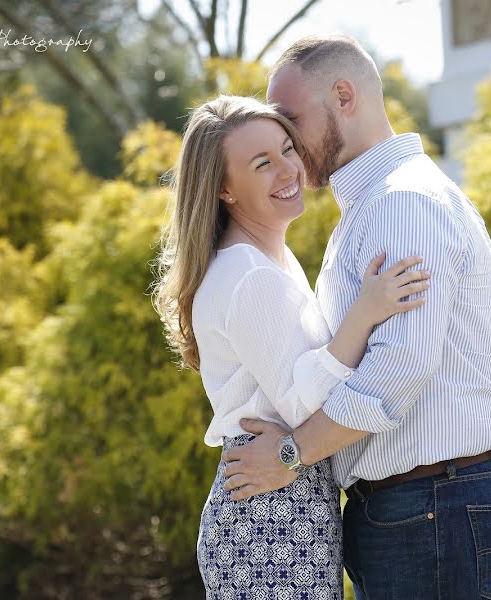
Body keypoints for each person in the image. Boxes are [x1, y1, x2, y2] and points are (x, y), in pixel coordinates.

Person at [220, 35, 491, 599]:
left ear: (343, 96)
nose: (286, 141)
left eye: (291, 119)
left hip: (434, 505)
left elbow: (399, 367)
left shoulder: (401, 203)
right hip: (417, 509)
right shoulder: (370, 209)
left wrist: (290, 454)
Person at [152, 94, 431, 599]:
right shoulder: (246, 273)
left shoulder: (267, 261)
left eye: (287, 149)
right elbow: (300, 403)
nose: (289, 169)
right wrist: (364, 314)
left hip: (285, 497)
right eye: (263, 163)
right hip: (271, 512)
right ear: (224, 189)